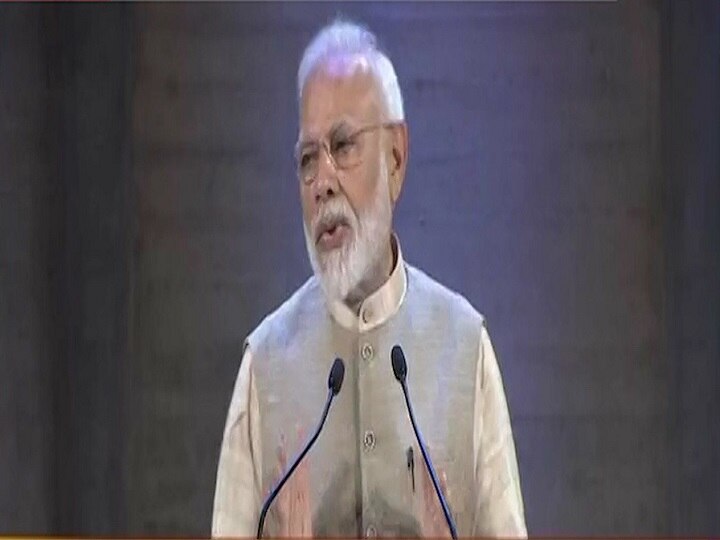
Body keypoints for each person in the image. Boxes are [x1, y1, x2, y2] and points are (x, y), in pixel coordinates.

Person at [211, 18, 527, 539]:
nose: (323, 182)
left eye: (344, 145)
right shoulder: (263, 363)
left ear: (396, 158)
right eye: (308, 159)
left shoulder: (464, 347)